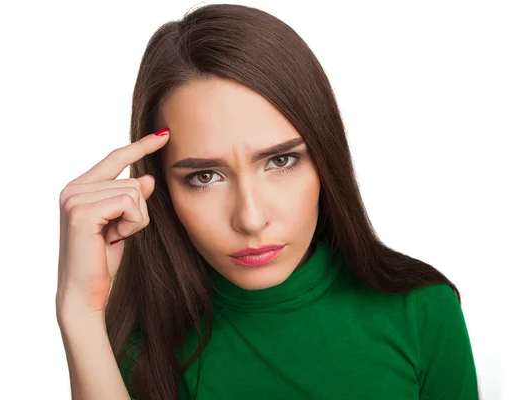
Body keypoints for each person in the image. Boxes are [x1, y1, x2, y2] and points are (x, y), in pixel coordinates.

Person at [56, 4, 479, 400]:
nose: (251, 219)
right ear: (160, 188)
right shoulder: (138, 341)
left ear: (325, 159)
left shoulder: (423, 312)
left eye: (281, 160)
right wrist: (79, 312)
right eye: (205, 176)